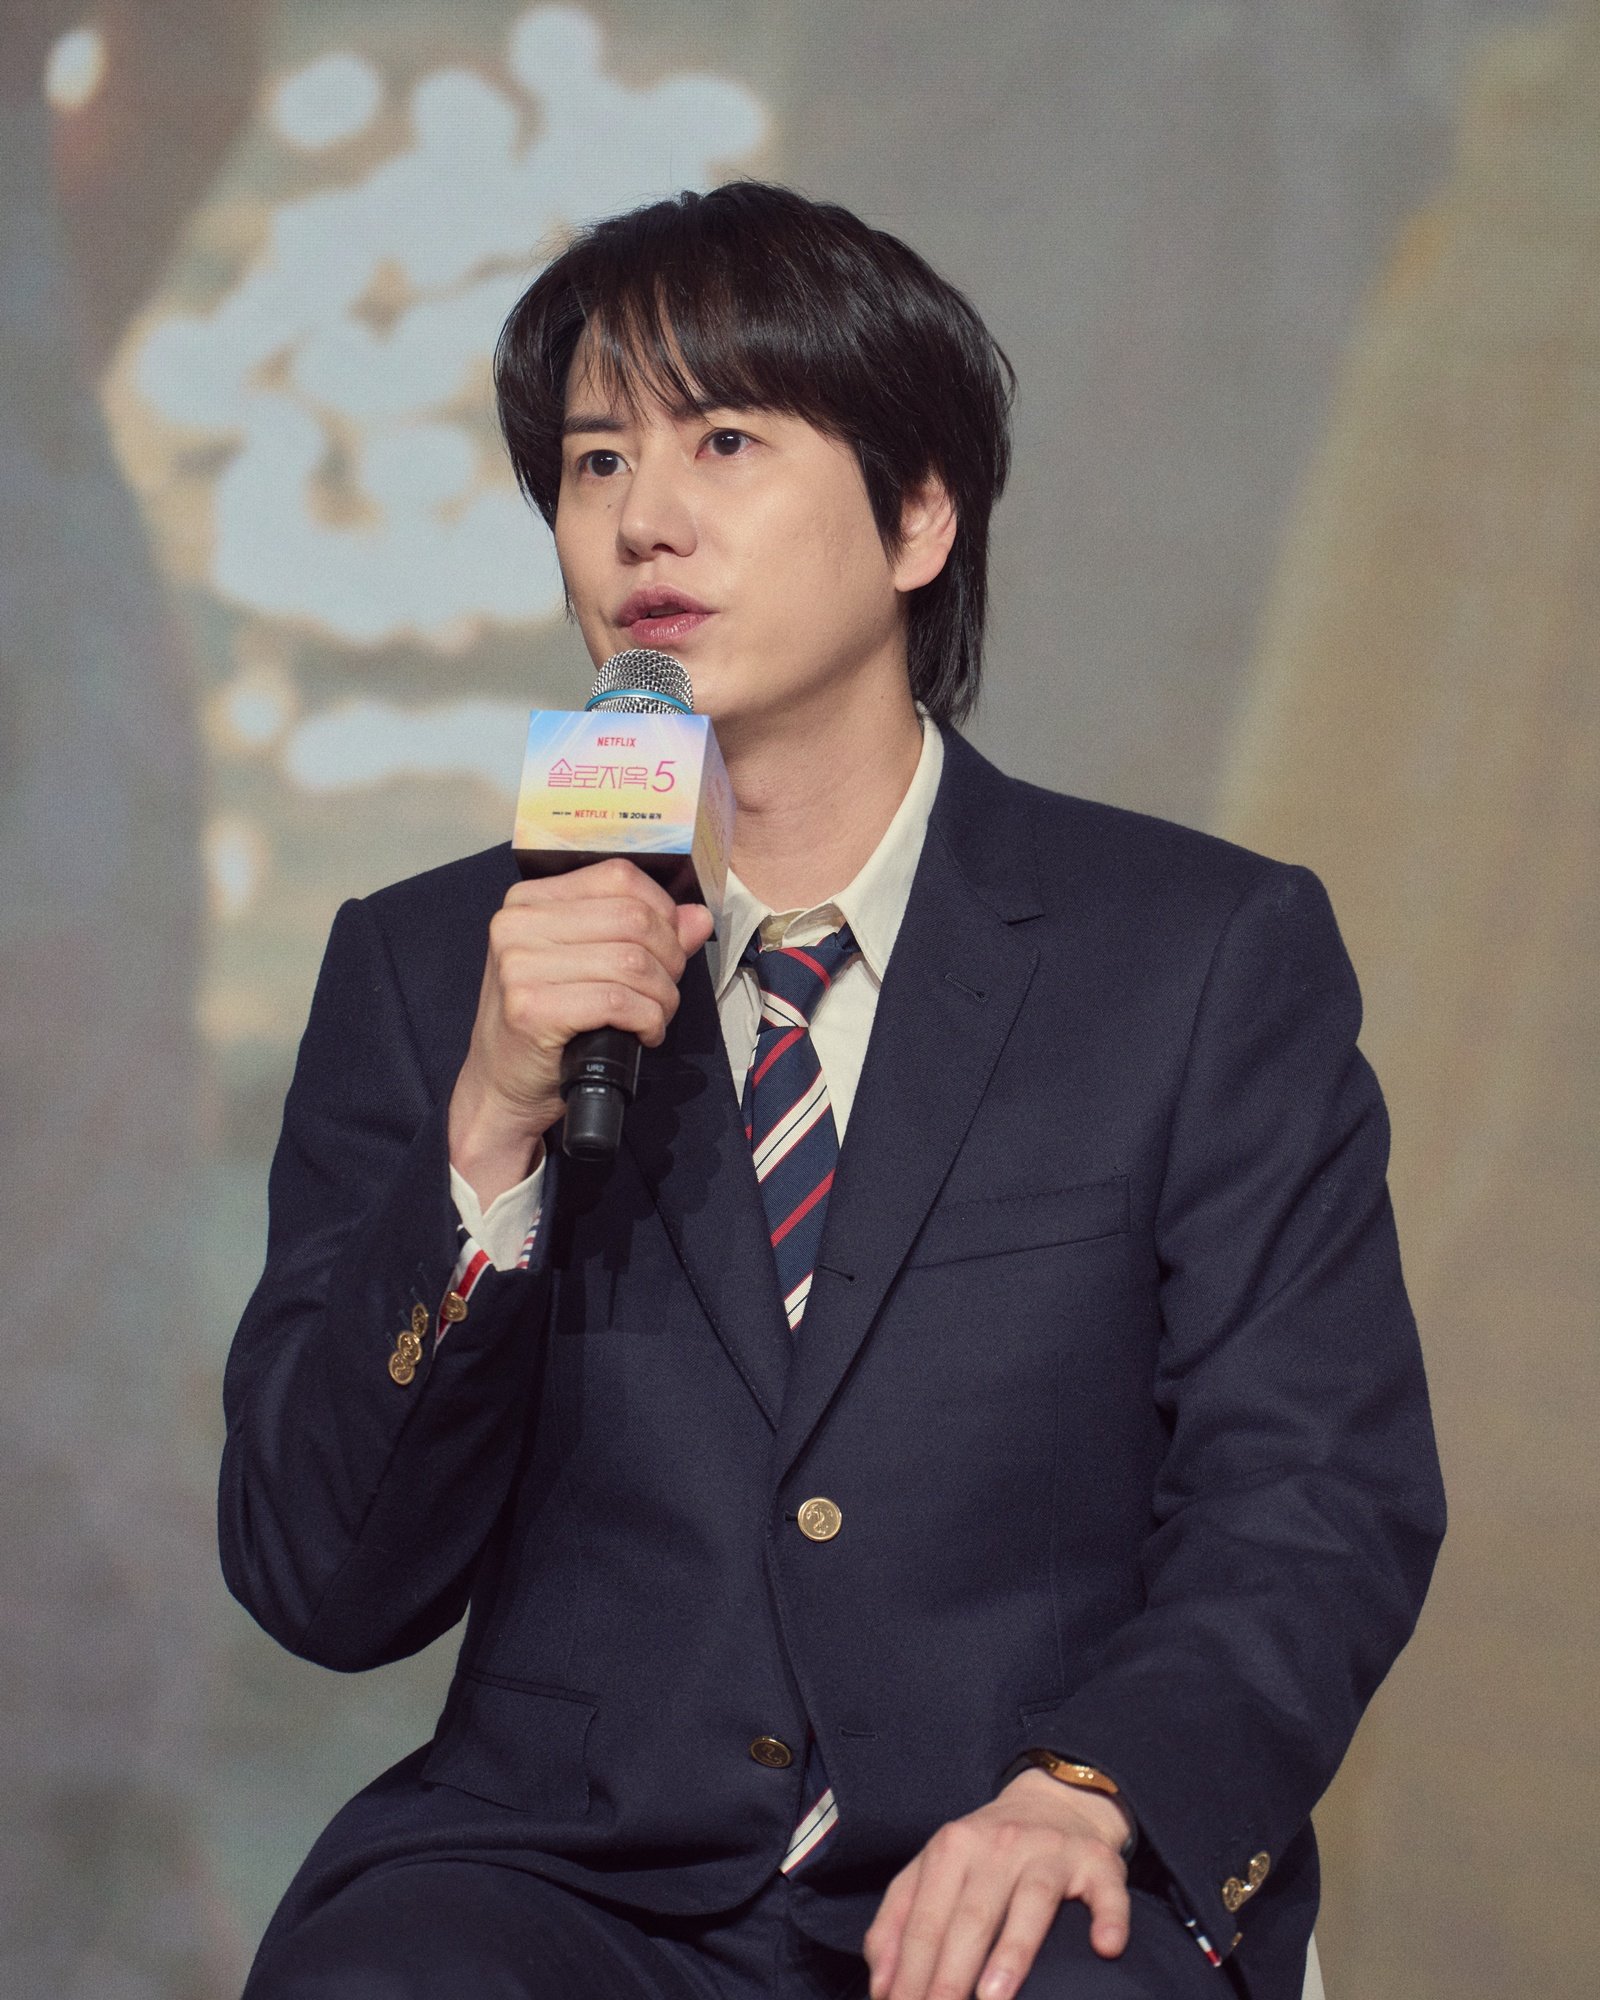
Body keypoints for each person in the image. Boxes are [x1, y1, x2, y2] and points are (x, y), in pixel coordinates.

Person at [220, 181, 1445, 2000]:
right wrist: (487, 1131)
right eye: (595, 460)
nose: (643, 514)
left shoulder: (1194, 954)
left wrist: (1090, 1788)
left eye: (725, 439)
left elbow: (1316, 1489)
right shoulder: (435, 966)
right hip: (568, 1886)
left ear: (920, 514)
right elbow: (322, 1579)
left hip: (1020, 1851)